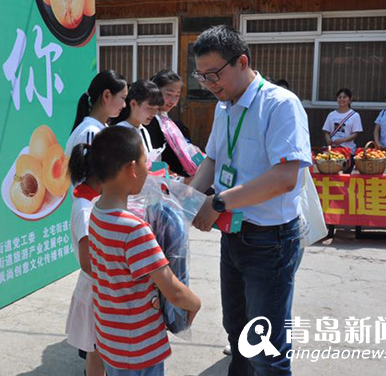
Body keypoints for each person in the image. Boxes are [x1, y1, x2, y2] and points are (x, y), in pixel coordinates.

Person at [189, 25, 311, 376]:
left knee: (266, 350)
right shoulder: (224, 106)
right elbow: (212, 160)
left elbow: (285, 177)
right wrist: (187, 202)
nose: (209, 84)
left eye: (214, 74)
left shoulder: (279, 105)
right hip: (233, 236)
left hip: (269, 241)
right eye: (202, 76)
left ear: (242, 62)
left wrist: (219, 202)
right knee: (237, 331)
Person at [87, 126, 201, 375]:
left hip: (110, 337)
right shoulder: (134, 230)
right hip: (139, 346)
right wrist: (195, 303)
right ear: (132, 169)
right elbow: (173, 290)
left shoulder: (96, 213)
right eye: (144, 162)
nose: (148, 169)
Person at [64, 144, 104, 376]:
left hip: (98, 291)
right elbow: (88, 263)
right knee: (97, 351)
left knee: (98, 351)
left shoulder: (92, 198)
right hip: (96, 294)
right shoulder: (85, 210)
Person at [146, 69, 201, 178]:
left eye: (177, 95)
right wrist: (172, 176)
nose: (173, 101)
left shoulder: (171, 124)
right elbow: (149, 163)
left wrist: (199, 159)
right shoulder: (148, 123)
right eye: (169, 94)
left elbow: (188, 149)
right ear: (155, 91)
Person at [66, 70, 128, 157]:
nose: (124, 105)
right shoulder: (91, 132)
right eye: (123, 98)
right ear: (106, 95)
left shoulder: (98, 129)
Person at [113, 80, 163, 161]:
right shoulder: (119, 132)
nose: (153, 113)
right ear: (133, 104)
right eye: (150, 108)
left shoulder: (144, 131)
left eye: (156, 109)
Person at [322, 88, 362, 153]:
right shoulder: (331, 115)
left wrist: (342, 140)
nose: (341, 99)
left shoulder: (355, 115)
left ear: (349, 99)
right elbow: (326, 131)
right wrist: (328, 140)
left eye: (344, 97)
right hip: (333, 149)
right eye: (339, 97)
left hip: (347, 150)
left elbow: (355, 134)